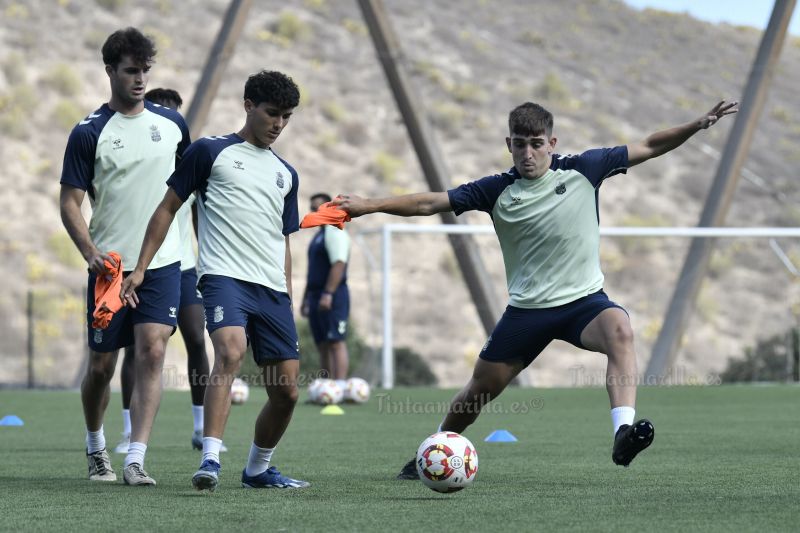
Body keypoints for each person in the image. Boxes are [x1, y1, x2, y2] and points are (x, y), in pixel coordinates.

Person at [333, 99, 739, 477]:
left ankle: (622, 434)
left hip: (584, 303)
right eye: (520, 145)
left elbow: (650, 145)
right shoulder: (494, 190)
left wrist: (697, 125)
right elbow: (428, 204)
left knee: (621, 329)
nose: (528, 154)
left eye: (537, 144)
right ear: (509, 144)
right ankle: (433, 450)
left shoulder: (586, 168)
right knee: (480, 390)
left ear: (552, 143)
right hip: (527, 312)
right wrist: (369, 204)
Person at [120, 70, 310, 491]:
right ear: (248, 106)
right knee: (229, 352)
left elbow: (284, 240)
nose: (278, 124)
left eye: (287, 117)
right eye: (272, 113)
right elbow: (167, 208)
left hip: (272, 288)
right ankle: (210, 460)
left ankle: (258, 469)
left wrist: (288, 291)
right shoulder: (210, 151)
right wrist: (140, 267)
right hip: (224, 277)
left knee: (288, 393)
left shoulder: (287, 174)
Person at [59, 27, 191, 485]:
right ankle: (97, 446)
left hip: (159, 264)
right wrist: (91, 253)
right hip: (109, 270)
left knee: (153, 351)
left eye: (145, 71)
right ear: (110, 70)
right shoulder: (88, 132)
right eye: (131, 71)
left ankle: (135, 457)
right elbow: (70, 202)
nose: (139, 79)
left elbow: (186, 192)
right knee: (101, 367)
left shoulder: (173, 125)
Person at [112, 88, 225, 455]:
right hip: (146, 266)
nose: (170, 120)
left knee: (196, 337)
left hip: (186, 267)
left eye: (176, 114)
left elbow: (200, 218)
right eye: (164, 112)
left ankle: (199, 428)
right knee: (137, 347)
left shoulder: (192, 166)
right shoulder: (139, 165)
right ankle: (129, 432)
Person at [301, 193, 351, 388]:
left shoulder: (335, 231)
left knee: (335, 341)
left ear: (330, 208)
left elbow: (338, 263)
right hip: (315, 295)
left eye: (319, 208)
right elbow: (313, 270)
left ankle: (338, 387)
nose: (315, 211)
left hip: (333, 295)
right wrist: (306, 299)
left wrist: (328, 293)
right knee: (322, 344)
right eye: (312, 208)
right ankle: (325, 388)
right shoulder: (318, 235)